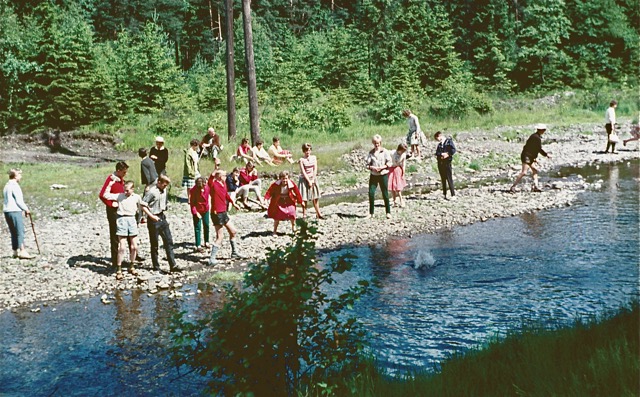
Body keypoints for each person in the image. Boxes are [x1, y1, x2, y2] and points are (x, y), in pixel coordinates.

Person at [102, 179, 149, 279]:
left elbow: (142, 206)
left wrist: (142, 217)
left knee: (134, 246)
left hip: (132, 220)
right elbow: (105, 195)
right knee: (122, 246)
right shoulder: (120, 196)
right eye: (125, 190)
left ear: (132, 189)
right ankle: (119, 268)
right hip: (122, 220)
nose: (125, 192)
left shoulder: (136, 197)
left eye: (127, 190)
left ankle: (132, 266)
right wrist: (110, 183)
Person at [143, 175, 183, 273]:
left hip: (162, 217)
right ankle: (156, 267)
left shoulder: (164, 190)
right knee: (155, 244)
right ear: (159, 182)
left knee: (168, 241)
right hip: (153, 219)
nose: (165, 187)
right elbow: (143, 205)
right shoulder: (152, 192)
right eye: (164, 185)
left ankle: (172, 265)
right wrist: (151, 216)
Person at [208, 169, 243, 265]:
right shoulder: (213, 184)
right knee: (220, 236)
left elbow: (226, 195)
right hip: (216, 213)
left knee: (233, 231)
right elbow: (210, 179)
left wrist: (233, 203)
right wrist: (215, 169)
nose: (226, 177)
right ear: (219, 176)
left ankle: (234, 252)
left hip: (223, 212)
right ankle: (212, 258)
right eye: (224, 175)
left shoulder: (223, 184)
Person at [99, 161, 129, 268]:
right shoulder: (111, 180)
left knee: (121, 234)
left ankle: (119, 259)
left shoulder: (120, 180)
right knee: (115, 235)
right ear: (118, 171)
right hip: (113, 211)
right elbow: (102, 194)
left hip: (120, 210)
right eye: (124, 172)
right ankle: (115, 262)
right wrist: (112, 204)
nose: (125, 174)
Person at [510, 124, 552, 194]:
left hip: (529, 156)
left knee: (535, 170)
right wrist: (546, 155)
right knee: (524, 172)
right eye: (544, 130)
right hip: (527, 156)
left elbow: (532, 148)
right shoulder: (536, 138)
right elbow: (539, 149)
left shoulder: (535, 136)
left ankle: (535, 186)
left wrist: (534, 158)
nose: (544, 131)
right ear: (541, 130)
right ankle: (513, 187)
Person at [3, 169, 34, 259]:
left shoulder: (6, 185)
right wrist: (26, 209)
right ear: (15, 176)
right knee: (19, 231)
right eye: (19, 175)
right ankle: (22, 250)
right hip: (15, 210)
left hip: (7, 211)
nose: (21, 177)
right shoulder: (15, 186)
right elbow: (19, 201)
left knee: (13, 231)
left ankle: (15, 251)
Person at [265, 170, 303, 234]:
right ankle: (274, 231)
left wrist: (300, 201)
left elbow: (297, 192)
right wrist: (266, 199)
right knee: (277, 216)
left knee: (292, 213)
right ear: (280, 178)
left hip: (289, 200)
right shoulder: (276, 184)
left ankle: (293, 228)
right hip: (279, 200)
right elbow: (269, 191)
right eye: (283, 179)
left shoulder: (291, 184)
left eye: (286, 178)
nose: (284, 180)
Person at [366, 134, 392, 219]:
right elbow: (367, 165)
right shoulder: (371, 153)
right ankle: (371, 213)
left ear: (380, 143)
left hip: (383, 174)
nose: (377, 145)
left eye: (378, 143)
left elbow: (389, 163)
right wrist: (372, 167)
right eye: (375, 143)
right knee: (371, 193)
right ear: (373, 143)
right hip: (374, 175)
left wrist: (382, 167)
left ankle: (388, 212)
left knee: (385, 193)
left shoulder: (385, 152)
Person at [298, 143, 324, 219]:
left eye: (309, 150)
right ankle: (304, 214)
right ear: (303, 151)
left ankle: (318, 213)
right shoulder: (301, 160)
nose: (308, 152)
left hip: (313, 178)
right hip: (304, 179)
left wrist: (312, 179)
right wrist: (308, 181)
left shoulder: (314, 158)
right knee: (304, 198)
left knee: (315, 197)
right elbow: (303, 171)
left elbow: (315, 169)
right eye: (306, 150)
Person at [189, 177, 210, 252]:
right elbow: (192, 203)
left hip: (206, 209)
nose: (204, 185)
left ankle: (206, 241)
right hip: (197, 210)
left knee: (206, 225)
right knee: (197, 227)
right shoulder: (193, 190)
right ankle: (198, 244)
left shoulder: (207, 187)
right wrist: (195, 212)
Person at [434, 132, 457, 200]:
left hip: (447, 163)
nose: (437, 140)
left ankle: (453, 195)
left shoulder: (448, 142)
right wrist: (441, 154)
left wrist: (447, 154)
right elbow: (437, 153)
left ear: (440, 136)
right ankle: (444, 194)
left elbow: (453, 150)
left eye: (437, 138)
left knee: (449, 178)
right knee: (443, 179)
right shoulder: (439, 145)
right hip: (440, 163)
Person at [389, 143, 408, 207]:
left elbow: (403, 164)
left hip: (397, 169)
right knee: (392, 186)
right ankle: (394, 201)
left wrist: (403, 172)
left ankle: (401, 200)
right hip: (391, 169)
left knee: (398, 186)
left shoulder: (403, 155)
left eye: (404, 151)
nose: (403, 152)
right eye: (402, 150)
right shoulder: (392, 153)